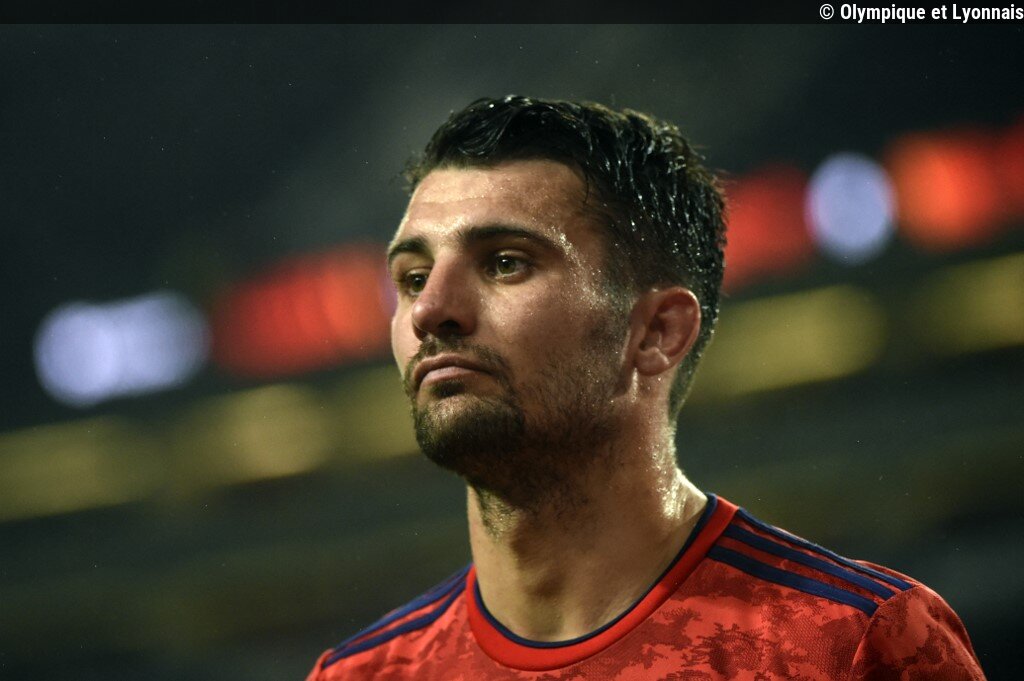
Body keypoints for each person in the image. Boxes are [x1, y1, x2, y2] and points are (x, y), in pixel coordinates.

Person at [307, 95, 985, 680]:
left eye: (505, 263)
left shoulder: (852, 643)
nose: (429, 311)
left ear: (657, 332)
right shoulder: (358, 674)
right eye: (413, 278)